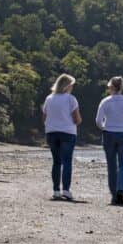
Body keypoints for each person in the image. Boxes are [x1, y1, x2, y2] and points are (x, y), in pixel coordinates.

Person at [95, 76, 123, 205]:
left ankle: (114, 195)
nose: (108, 88)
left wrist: (104, 127)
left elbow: (98, 120)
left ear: (112, 87)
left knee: (111, 165)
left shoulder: (105, 101)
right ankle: (121, 190)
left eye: (109, 86)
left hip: (109, 134)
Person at [42, 73, 81, 201]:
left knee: (56, 162)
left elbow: (44, 117)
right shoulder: (71, 99)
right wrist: (79, 120)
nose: (72, 88)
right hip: (67, 133)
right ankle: (66, 190)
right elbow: (76, 119)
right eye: (72, 85)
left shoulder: (49, 98)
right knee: (67, 161)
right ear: (67, 86)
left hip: (52, 132)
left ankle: (56, 190)